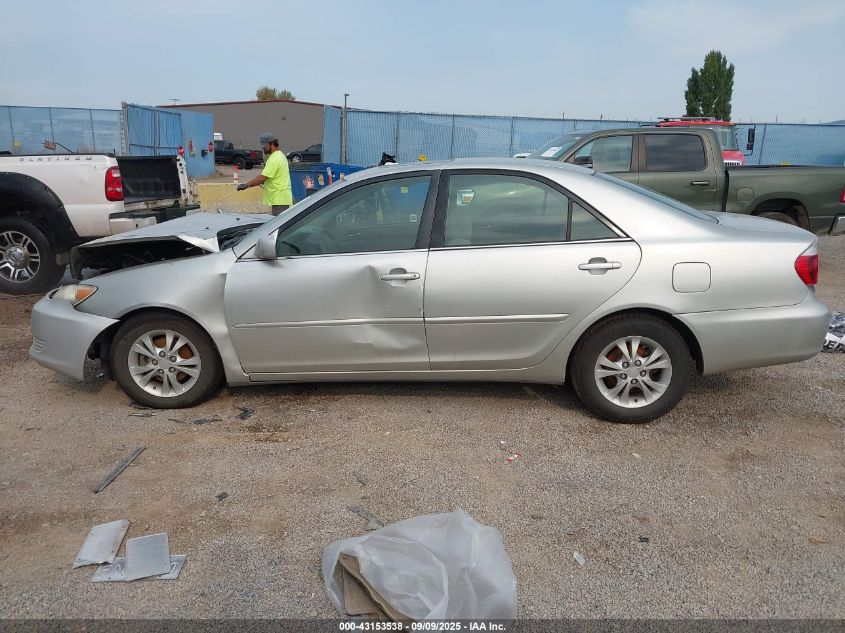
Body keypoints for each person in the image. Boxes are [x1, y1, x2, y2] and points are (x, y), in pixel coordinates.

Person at [237, 132, 292, 216]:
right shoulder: (280, 155)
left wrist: (247, 185)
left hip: (279, 198)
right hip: (281, 198)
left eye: (264, 146)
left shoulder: (274, 159)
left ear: (272, 144)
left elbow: (262, 178)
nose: (263, 149)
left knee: (279, 225)